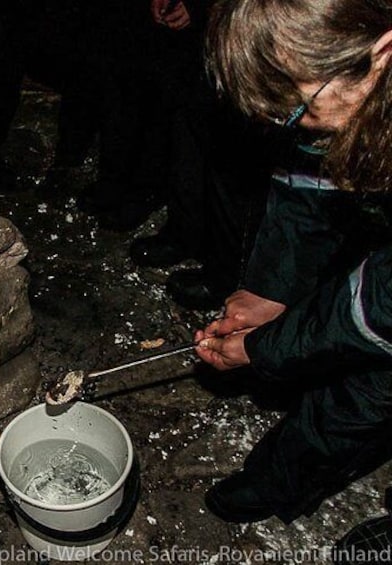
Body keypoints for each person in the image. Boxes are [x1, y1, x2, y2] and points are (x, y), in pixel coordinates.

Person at [193, 0, 392, 541]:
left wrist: (265, 347)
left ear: (380, 52)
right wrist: (269, 288)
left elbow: (376, 308)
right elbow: (311, 181)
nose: (301, 128)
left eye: (300, 109)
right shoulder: (350, 94)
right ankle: (283, 475)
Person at [128, 0, 275, 310]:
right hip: (205, 38)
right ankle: (185, 234)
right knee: (188, 132)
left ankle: (227, 276)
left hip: (255, 29)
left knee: (238, 157)